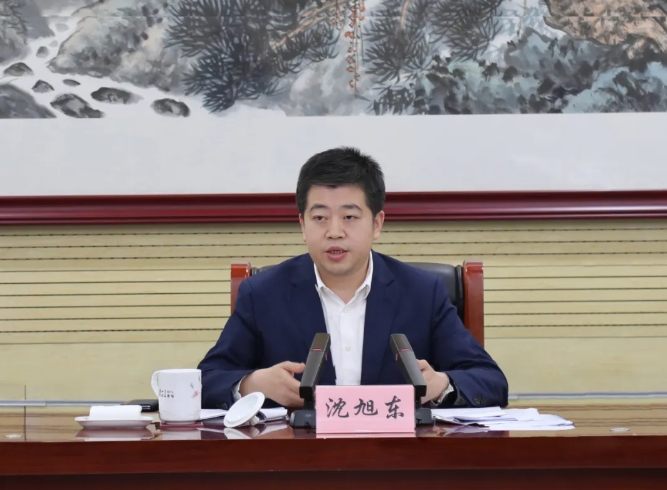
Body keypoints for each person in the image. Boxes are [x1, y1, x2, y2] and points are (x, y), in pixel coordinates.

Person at [198, 147, 508, 410]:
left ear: (376, 224)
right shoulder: (263, 294)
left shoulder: (423, 293)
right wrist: (251, 384)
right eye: (320, 218)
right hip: (300, 456)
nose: (334, 231)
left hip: (397, 456)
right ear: (303, 225)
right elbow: (206, 381)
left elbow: (490, 381)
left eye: (349, 217)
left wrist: (442, 385)